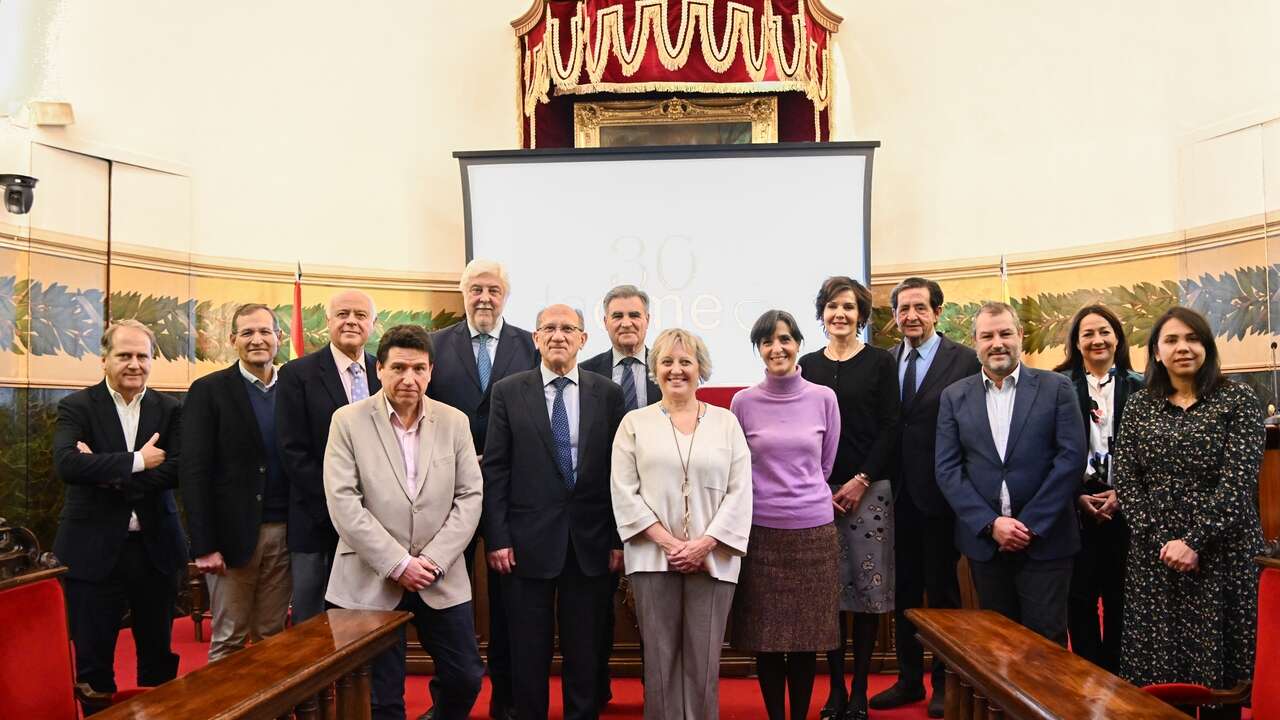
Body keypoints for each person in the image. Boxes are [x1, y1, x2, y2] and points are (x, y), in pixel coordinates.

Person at [324, 324, 485, 720]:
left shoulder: (454, 422)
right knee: (382, 700)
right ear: (379, 369)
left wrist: (431, 561)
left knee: (466, 677)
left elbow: (470, 496)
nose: (408, 378)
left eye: (418, 369)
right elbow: (344, 501)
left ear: (431, 371)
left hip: (439, 575)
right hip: (369, 578)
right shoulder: (347, 420)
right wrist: (398, 563)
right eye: (398, 368)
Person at [483, 304, 626, 720]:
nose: (558, 335)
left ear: (584, 339)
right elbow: (495, 468)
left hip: (591, 543)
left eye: (569, 328)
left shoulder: (608, 394)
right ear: (536, 338)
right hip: (525, 545)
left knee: (585, 651)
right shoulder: (508, 391)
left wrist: (618, 539)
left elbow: (620, 472)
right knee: (528, 650)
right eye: (549, 328)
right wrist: (498, 536)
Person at [1113, 306, 1266, 694]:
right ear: (1157, 352)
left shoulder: (1238, 400)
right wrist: (1164, 543)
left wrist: (1193, 542)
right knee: (1159, 676)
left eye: (1192, 338)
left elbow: (1238, 484)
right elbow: (1128, 482)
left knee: (1222, 680)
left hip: (1222, 552)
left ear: (1207, 347)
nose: (1183, 347)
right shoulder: (1139, 405)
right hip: (1156, 557)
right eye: (1172, 340)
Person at [611, 328, 752, 720]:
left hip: (713, 560)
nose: (676, 370)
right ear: (654, 369)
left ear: (700, 369)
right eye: (667, 362)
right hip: (652, 559)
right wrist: (669, 544)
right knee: (659, 664)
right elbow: (623, 490)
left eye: (685, 362)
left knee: (704, 664)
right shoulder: (633, 424)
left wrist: (704, 544)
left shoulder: (726, 423)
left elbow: (740, 493)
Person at [52, 320, 186, 705]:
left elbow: (177, 470)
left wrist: (107, 472)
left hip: (155, 550)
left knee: (158, 660)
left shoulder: (171, 409)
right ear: (103, 360)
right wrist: (139, 461)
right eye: (124, 355)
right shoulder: (76, 406)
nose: (134, 364)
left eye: (142, 356)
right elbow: (67, 466)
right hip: (91, 552)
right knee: (93, 665)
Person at [935, 302, 1085, 645]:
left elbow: (1071, 459)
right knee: (998, 645)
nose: (997, 343)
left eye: (1005, 333)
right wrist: (992, 524)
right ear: (975, 342)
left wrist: (1029, 525)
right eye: (987, 336)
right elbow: (947, 469)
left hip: (1046, 542)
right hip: (986, 544)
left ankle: (1048, 703)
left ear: (1020, 335)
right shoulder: (954, 397)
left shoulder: (1056, 388)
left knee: (1046, 644)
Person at [426, 259, 537, 720]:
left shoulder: (529, 346)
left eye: (493, 289)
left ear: (506, 295)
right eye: (476, 289)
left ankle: (506, 701)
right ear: (463, 293)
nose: (484, 297)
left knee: (510, 603)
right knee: (443, 600)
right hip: (446, 493)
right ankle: (449, 700)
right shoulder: (434, 345)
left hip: (512, 493)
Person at [870, 277, 979, 719]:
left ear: (937, 312)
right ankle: (909, 679)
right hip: (895, 496)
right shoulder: (885, 361)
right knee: (905, 592)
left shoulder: (966, 360)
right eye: (903, 309)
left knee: (944, 591)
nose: (911, 316)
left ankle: (944, 683)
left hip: (942, 497)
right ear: (894, 316)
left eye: (919, 307)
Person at [730, 309, 840, 720]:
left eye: (784, 339)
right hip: (761, 532)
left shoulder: (823, 398)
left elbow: (825, 466)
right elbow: (739, 467)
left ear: (798, 344)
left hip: (813, 533)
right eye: (767, 342)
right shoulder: (743, 402)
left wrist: (802, 496)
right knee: (768, 638)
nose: (777, 348)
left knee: (807, 638)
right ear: (759, 350)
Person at [798, 277, 900, 720]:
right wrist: (820, 484)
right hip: (816, 493)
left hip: (869, 492)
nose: (840, 314)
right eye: (832, 307)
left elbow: (891, 427)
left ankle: (859, 689)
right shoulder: (806, 364)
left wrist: (861, 479)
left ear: (861, 315)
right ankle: (835, 689)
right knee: (827, 595)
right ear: (821, 314)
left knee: (866, 592)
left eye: (849, 307)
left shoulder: (879, 362)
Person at [182, 303, 291, 662]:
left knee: (272, 638)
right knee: (229, 639)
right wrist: (203, 546)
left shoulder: (294, 387)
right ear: (233, 340)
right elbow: (194, 472)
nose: (257, 340)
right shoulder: (208, 390)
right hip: (232, 540)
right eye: (247, 333)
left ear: (279, 338)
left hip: (286, 532)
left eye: (264, 332)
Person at [276, 289, 381, 623]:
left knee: (368, 621)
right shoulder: (297, 374)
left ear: (373, 324)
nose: (351, 320)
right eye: (343, 314)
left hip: (379, 522)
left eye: (360, 315)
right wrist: (342, 505)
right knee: (313, 624)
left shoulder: (385, 372)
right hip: (317, 519)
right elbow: (293, 452)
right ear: (328, 322)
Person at [580, 283, 661, 705]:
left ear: (648, 321)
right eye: (618, 316)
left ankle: (658, 693)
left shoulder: (669, 367)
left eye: (634, 315)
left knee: (657, 607)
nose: (626, 323)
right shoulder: (587, 371)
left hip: (658, 507)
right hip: (598, 506)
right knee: (596, 607)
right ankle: (596, 690)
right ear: (604, 323)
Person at [1052, 305, 1143, 672]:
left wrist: (1122, 492)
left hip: (1128, 505)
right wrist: (1076, 493)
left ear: (1117, 337)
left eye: (1104, 331)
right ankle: (1089, 676)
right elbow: (1049, 448)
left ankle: (1119, 678)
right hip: (1076, 505)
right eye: (1087, 333)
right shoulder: (1057, 385)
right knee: (1080, 597)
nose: (1097, 339)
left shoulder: (1143, 386)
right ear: (1076, 342)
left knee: (1123, 596)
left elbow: (1150, 453)